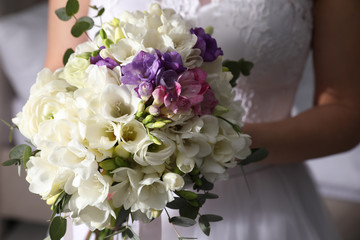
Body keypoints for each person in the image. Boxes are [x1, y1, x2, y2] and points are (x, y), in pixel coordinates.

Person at [45, 0, 360, 239]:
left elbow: (346, 113)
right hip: (121, 201)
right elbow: (54, 91)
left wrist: (213, 144)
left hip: (260, 205)